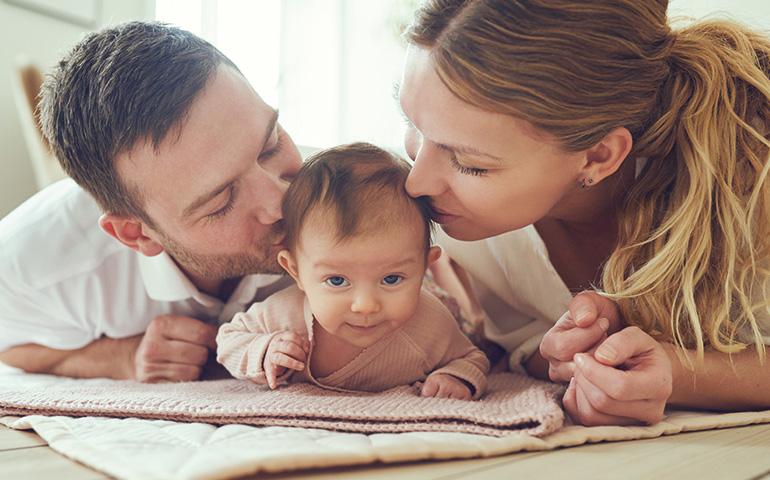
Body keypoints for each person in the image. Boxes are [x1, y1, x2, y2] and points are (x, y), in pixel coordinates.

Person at [398, 0, 770, 425]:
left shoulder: (749, 186)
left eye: (470, 163)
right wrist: (561, 358)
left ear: (597, 156)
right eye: (412, 125)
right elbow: (520, 346)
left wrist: (679, 373)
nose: (416, 182)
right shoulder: (445, 214)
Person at [0, 21, 301, 382]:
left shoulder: (352, 197)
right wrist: (120, 357)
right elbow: (10, 346)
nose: (282, 202)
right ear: (134, 233)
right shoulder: (35, 264)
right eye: (221, 200)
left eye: (271, 146)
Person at [216, 143, 490, 399]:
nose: (365, 305)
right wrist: (263, 351)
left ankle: (442, 277)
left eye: (391, 279)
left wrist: (454, 376)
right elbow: (229, 340)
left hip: (438, 295)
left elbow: (473, 357)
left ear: (422, 266)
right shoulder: (285, 315)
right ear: (295, 270)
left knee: (470, 321)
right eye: (337, 280)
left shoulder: (430, 325)